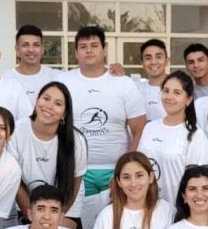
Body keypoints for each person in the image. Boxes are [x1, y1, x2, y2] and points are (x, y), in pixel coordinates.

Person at [61, 26, 147, 198]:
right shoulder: (63, 82)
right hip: (76, 171)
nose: (89, 50)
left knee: (115, 223)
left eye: (94, 45)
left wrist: (127, 169)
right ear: (76, 52)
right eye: (83, 47)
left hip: (116, 171)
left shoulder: (123, 83)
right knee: (76, 224)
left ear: (105, 49)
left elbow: (140, 129)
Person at [9, 81, 87, 229]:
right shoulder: (17, 131)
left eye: (58, 103)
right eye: (46, 99)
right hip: (27, 203)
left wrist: (57, 217)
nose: (49, 106)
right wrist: (32, 216)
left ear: (65, 113)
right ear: (37, 100)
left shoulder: (76, 140)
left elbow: (74, 184)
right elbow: (16, 183)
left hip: (66, 204)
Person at [135, 71, 208, 206]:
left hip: (177, 210)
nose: (169, 97)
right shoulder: (150, 127)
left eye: (177, 93)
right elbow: (138, 166)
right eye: (166, 91)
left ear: (188, 99)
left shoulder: (196, 136)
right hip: (146, 207)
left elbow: (196, 183)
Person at [5, 25, 63, 105]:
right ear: (17, 49)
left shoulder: (56, 77)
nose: (31, 50)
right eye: (25, 45)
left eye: (36, 45)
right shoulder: (6, 79)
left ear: (42, 49)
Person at [136, 39, 169, 121]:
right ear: (142, 63)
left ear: (167, 61)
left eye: (159, 57)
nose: (153, 62)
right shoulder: (136, 90)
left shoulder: (179, 89)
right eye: (148, 58)